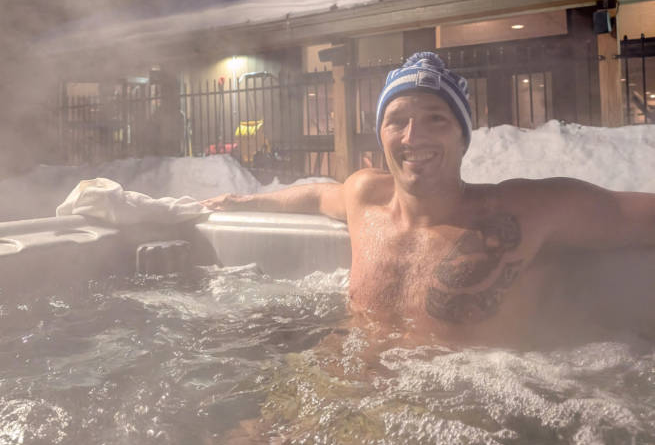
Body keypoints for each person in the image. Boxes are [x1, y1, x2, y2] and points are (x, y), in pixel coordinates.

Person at [202, 51, 655, 344]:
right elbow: (318, 197)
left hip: (447, 421)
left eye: (436, 119)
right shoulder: (365, 196)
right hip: (341, 385)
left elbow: (625, 213)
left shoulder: (522, 213)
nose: (413, 136)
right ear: (380, 134)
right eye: (397, 119)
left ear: (463, 137)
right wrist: (244, 203)